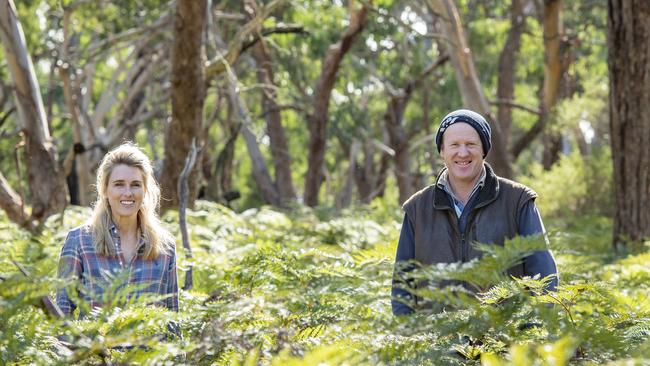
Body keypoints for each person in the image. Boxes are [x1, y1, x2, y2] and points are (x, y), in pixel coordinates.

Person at [391, 109, 558, 316]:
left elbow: (543, 277)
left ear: (484, 150)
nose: (462, 153)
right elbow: (402, 286)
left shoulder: (517, 201)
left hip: (505, 342)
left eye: (471, 144)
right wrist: (410, 336)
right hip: (435, 342)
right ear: (442, 151)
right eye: (454, 145)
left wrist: (534, 336)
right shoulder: (417, 208)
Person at [56, 142, 178, 317]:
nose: (127, 193)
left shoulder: (165, 247)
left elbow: (172, 317)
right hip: (96, 345)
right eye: (119, 184)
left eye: (135, 185)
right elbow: (61, 316)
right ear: (105, 189)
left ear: (145, 190)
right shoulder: (80, 241)